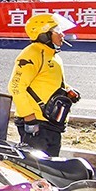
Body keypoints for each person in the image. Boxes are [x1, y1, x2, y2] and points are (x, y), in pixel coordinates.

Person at [7, 12, 80, 156]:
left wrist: (68, 90)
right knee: (36, 167)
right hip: (37, 122)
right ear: (44, 34)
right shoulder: (31, 54)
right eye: (57, 31)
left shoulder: (53, 55)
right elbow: (15, 87)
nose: (62, 34)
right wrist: (29, 117)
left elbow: (50, 81)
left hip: (52, 122)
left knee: (51, 165)